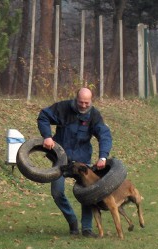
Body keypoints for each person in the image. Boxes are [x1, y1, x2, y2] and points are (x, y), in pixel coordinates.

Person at [37, 87, 112, 237]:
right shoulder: (63, 108)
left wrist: (103, 156)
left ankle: (87, 229)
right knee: (57, 192)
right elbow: (43, 116)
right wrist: (47, 136)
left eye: (86, 102)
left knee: (88, 194)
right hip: (61, 159)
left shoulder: (94, 115)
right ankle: (72, 221)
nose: (83, 105)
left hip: (82, 161)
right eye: (81, 102)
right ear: (75, 99)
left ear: (91, 101)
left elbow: (104, 135)